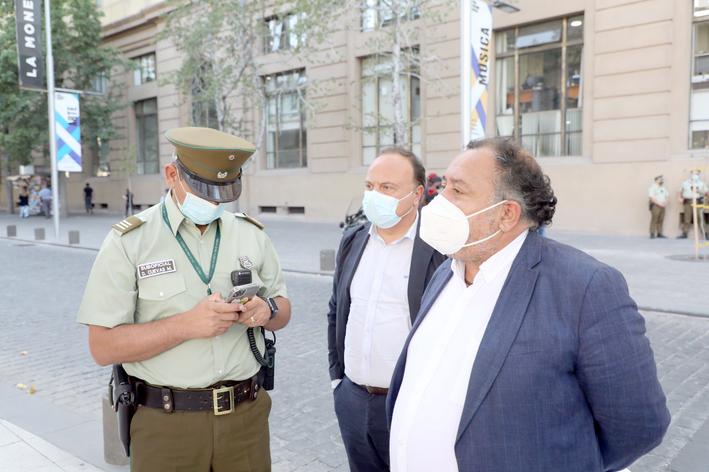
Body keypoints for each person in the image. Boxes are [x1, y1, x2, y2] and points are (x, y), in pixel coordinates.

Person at [387, 138, 670, 472]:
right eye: (444, 186)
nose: (438, 201)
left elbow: (638, 424)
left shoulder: (585, 287)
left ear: (506, 214)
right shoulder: (445, 273)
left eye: (458, 191)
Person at [76, 127, 291, 471]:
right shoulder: (130, 242)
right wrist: (186, 326)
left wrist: (266, 310)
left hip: (245, 420)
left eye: (222, 193)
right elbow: (102, 347)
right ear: (171, 175)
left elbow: (283, 309)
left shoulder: (250, 234)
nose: (214, 203)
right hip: (166, 425)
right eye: (204, 191)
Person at [327, 148, 446, 472]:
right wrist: (338, 380)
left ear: (417, 195)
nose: (374, 195)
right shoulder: (353, 240)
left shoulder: (440, 248)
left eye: (387, 187)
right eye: (370, 186)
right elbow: (337, 310)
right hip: (353, 401)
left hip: (409, 405)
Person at [678, 169, 708, 239]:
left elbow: (706, 193)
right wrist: (679, 198)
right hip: (688, 202)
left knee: (700, 218)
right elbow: (679, 191)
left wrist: (699, 191)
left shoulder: (702, 183)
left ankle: (706, 234)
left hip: (698, 202)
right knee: (687, 218)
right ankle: (684, 233)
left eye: (697, 174)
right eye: (694, 173)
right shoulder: (685, 183)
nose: (695, 175)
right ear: (691, 174)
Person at [648, 174, 668, 239]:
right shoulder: (652, 188)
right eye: (660, 179)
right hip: (655, 206)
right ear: (656, 180)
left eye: (662, 179)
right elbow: (652, 198)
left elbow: (667, 196)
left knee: (661, 219)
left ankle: (659, 233)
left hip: (663, 206)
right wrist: (659, 204)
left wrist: (665, 202)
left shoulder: (663, 188)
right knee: (654, 219)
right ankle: (652, 233)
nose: (662, 180)